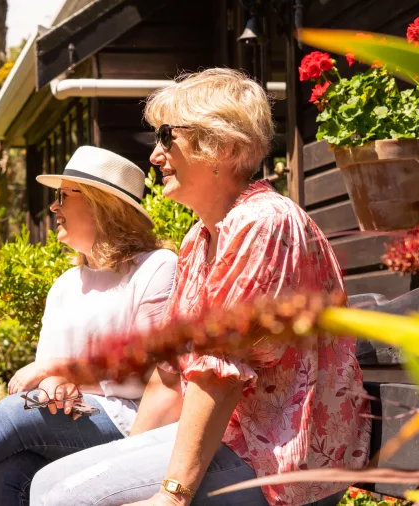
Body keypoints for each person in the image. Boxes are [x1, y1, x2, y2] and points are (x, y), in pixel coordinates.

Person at [30, 68, 371, 506]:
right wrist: (124, 458)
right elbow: (171, 376)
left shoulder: (264, 222)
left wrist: (172, 495)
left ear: (222, 145)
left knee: (67, 500)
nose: (155, 155)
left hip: (284, 458)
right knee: (45, 486)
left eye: (167, 136)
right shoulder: (200, 239)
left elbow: (219, 376)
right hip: (233, 438)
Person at [0, 146, 180, 506]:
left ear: (100, 204)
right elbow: (46, 376)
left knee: (15, 413)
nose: (53, 208)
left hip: (135, 423)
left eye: (62, 196)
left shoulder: (156, 268)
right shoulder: (64, 285)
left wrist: (56, 372)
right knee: (7, 472)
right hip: (72, 417)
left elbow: (151, 376)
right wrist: (55, 386)